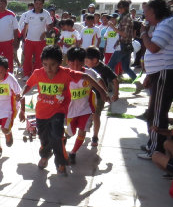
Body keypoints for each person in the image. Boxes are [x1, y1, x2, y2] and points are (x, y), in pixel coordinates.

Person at [19, 45, 108, 176]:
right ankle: (45, 155)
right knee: (44, 140)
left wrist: (102, 91)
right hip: (41, 114)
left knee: (57, 136)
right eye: (45, 64)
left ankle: (61, 162)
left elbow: (86, 77)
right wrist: (22, 93)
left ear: (60, 63)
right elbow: (28, 84)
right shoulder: (38, 73)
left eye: (53, 65)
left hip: (58, 112)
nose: (49, 69)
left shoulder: (66, 73)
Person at [138, 0, 173, 159]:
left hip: (166, 73)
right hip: (160, 73)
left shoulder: (168, 24)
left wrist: (143, 33)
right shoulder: (165, 24)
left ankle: (155, 149)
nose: (146, 17)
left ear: (155, 12)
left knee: (157, 113)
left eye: (147, 13)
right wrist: (150, 75)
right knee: (154, 112)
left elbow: (153, 47)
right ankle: (153, 144)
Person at [65, 47, 103, 164]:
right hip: (70, 111)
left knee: (82, 131)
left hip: (86, 110)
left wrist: (105, 93)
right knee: (70, 132)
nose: (76, 65)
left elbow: (99, 81)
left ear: (84, 62)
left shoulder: (90, 73)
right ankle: (64, 140)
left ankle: (73, 153)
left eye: (79, 62)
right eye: (72, 62)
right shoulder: (63, 75)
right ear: (67, 61)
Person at [84, 46, 119, 147]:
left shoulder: (103, 68)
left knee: (96, 115)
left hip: (99, 96)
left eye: (86, 60)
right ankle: (88, 126)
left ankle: (95, 136)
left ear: (94, 60)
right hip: (87, 95)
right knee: (87, 115)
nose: (85, 63)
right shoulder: (86, 68)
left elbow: (115, 80)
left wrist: (116, 94)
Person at [107, 0, 144, 93]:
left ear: (124, 8)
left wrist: (113, 28)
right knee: (126, 68)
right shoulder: (125, 17)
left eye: (120, 8)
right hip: (125, 45)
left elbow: (125, 34)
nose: (119, 10)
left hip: (123, 46)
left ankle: (111, 86)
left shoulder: (126, 18)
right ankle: (138, 84)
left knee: (110, 66)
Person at [21, 0, 53, 78]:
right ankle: (26, 74)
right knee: (27, 58)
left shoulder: (46, 13)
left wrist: (45, 33)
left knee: (39, 59)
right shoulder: (29, 13)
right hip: (29, 40)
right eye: (36, 3)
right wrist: (24, 37)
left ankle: (36, 75)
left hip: (41, 41)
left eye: (40, 4)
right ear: (34, 4)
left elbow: (50, 26)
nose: (38, 5)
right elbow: (26, 25)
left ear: (43, 5)